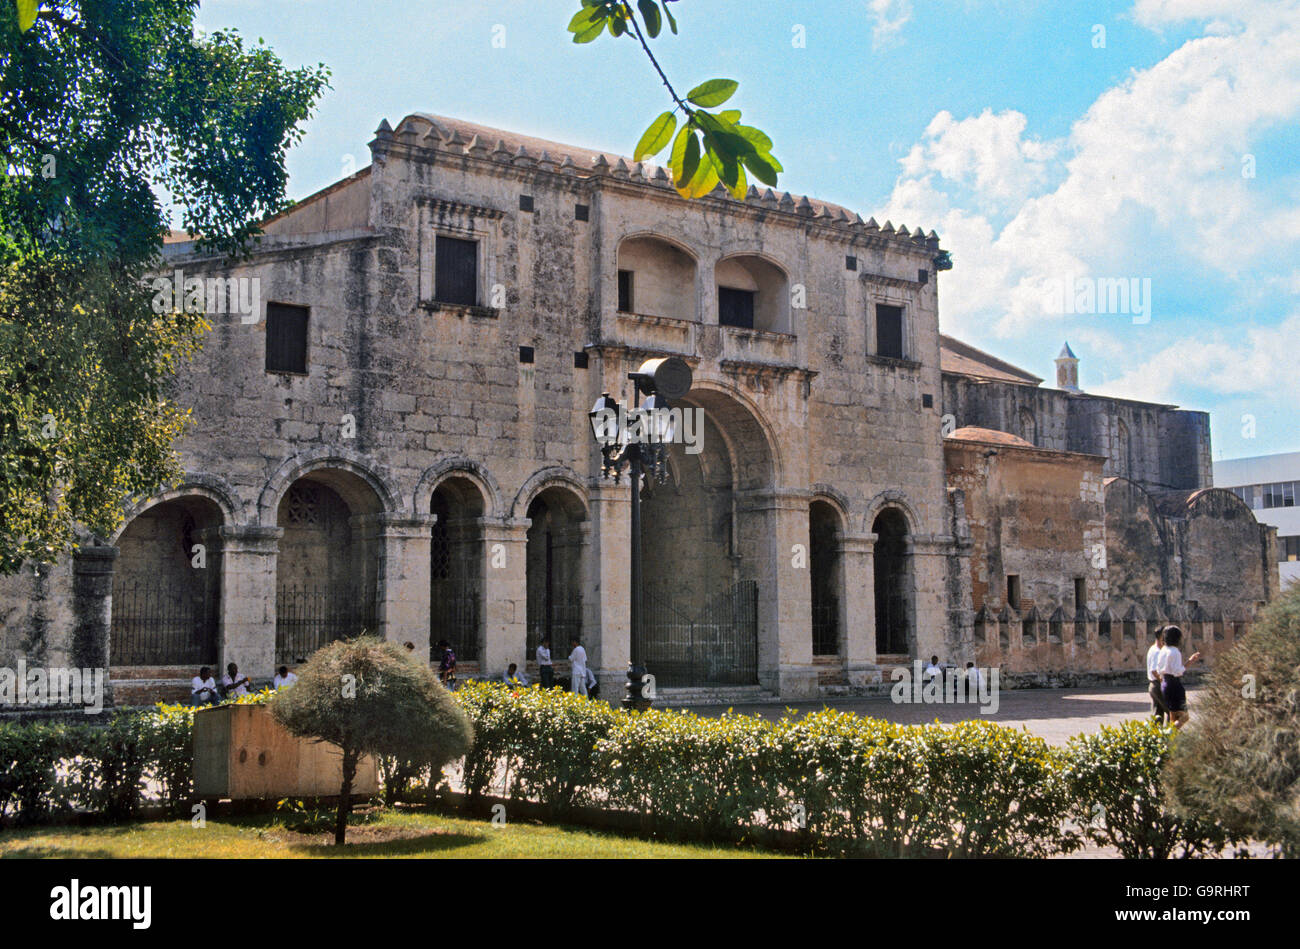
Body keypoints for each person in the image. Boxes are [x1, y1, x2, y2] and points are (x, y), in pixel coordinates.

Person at [1155, 625, 1201, 729]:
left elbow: (1158, 669)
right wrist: (1190, 661)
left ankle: (1172, 740)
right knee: (1184, 717)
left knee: (1173, 716)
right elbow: (1178, 672)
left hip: (1165, 684)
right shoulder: (1175, 652)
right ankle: (1170, 734)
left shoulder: (1163, 650)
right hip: (1174, 684)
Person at [1146, 626, 1170, 724]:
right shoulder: (1157, 652)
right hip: (1157, 685)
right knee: (1171, 711)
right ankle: (1171, 735)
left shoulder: (1154, 649)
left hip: (1154, 685)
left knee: (1158, 714)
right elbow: (1154, 671)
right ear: (1160, 637)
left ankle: (1157, 736)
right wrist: (1163, 681)